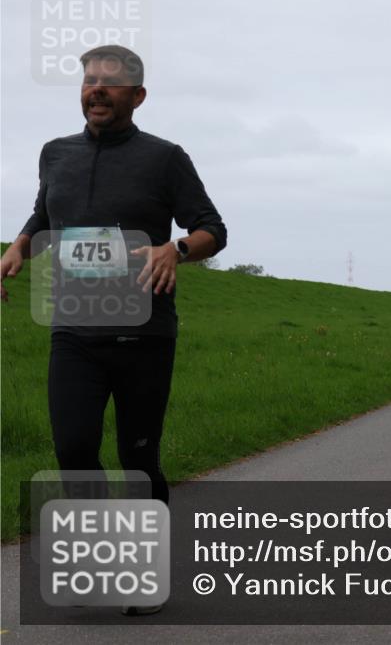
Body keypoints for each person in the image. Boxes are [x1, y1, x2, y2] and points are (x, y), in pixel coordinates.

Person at [0, 45, 227, 614]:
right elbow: (46, 211)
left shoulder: (165, 158)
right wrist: (21, 244)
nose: (95, 89)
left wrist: (175, 248)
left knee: (137, 458)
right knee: (74, 448)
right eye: (88, 81)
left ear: (138, 96)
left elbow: (212, 228)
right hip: (73, 329)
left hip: (143, 333)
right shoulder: (55, 153)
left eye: (110, 82)